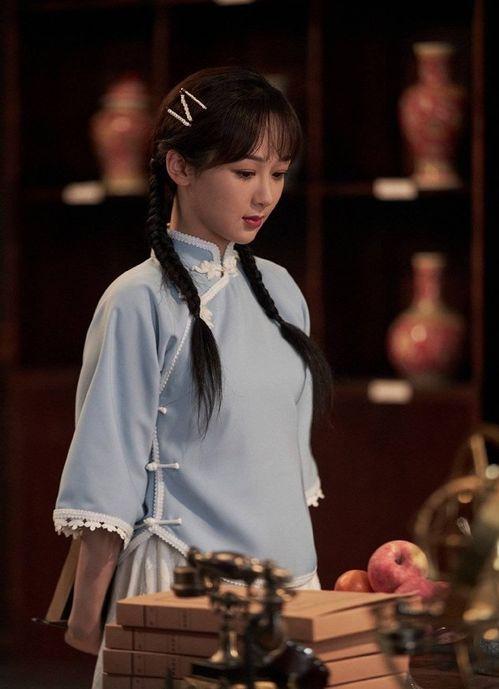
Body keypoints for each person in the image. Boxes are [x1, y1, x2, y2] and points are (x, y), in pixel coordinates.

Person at [52, 65, 332, 688]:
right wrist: (88, 613)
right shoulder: (137, 300)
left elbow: (284, 465)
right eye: (245, 173)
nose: (265, 196)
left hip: (293, 586)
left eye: (279, 173)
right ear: (179, 166)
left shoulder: (282, 293)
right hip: (182, 585)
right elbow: (109, 466)